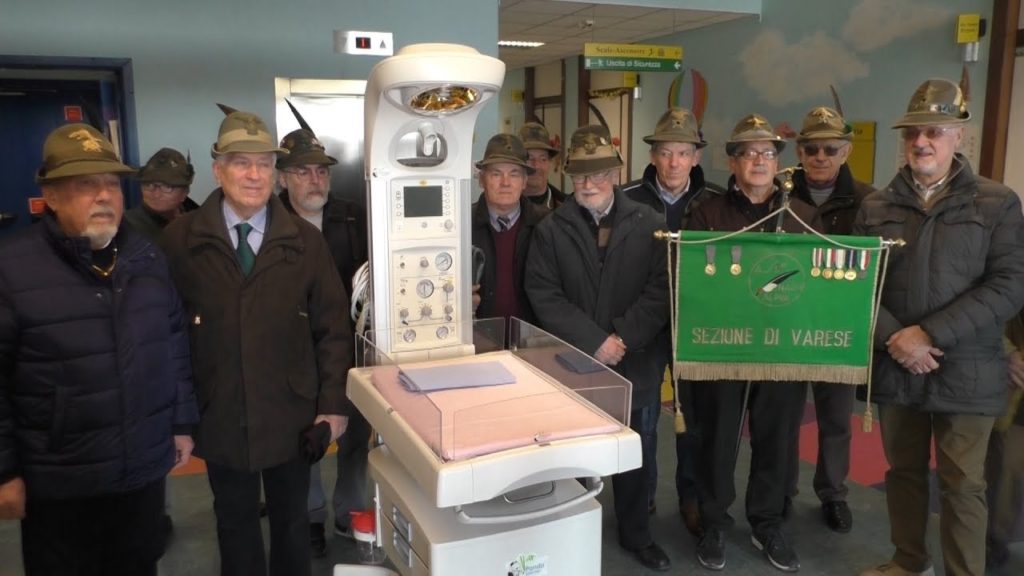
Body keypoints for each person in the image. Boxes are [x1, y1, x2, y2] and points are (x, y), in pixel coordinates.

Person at [161, 109, 353, 576]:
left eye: (264, 164)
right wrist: (177, 418)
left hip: (292, 413)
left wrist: (333, 405)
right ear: (218, 170)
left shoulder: (305, 242)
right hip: (219, 410)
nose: (253, 174)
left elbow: (332, 328)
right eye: (241, 163)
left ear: (275, 172)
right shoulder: (180, 241)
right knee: (234, 522)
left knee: (292, 523)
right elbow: (166, 337)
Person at [0, 123, 198, 575]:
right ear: (51, 196)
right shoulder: (12, 270)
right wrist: (4, 471)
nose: (104, 195)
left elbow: (174, 345)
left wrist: (181, 423)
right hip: (61, 479)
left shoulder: (147, 258)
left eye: (111, 183)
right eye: (86, 184)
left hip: (141, 469)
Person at [855, 78, 1024, 576]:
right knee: (903, 473)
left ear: (958, 136)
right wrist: (896, 339)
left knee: (963, 484)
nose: (921, 142)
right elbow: (858, 285)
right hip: (896, 364)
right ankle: (909, 562)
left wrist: (927, 335)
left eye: (933, 131)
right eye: (912, 133)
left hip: (968, 368)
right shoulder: (876, 206)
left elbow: (1010, 285)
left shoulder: (997, 203)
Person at [525, 124, 671, 572]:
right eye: (580, 175)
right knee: (571, 455)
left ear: (616, 173)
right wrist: (595, 342)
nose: (589, 184)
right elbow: (544, 293)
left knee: (635, 455)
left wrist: (622, 338)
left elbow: (661, 290)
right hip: (574, 363)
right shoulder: (551, 229)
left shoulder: (651, 223)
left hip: (634, 361)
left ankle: (637, 534)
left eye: (599, 174)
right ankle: (570, 532)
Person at [688, 114, 821, 573]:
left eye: (767, 153)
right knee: (717, 437)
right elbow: (696, 282)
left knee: (776, 440)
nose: (759, 161)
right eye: (749, 153)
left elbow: (814, 286)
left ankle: (767, 523)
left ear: (778, 162)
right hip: (725, 345)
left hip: (782, 350)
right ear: (733, 161)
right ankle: (713, 523)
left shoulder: (802, 217)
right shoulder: (707, 214)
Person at [622, 106, 718, 533]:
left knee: (692, 419)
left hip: (695, 324)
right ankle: (640, 498)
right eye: (665, 152)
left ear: (696, 157)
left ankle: (691, 498)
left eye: (682, 153)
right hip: (644, 324)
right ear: (653, 155)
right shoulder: (626, 199)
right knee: (642, 417)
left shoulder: (715, 201)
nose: (674, 162)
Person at [275, 126, 369, 558]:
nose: (314, 180)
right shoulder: (270, 223)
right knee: (305, 437)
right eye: (302, 172)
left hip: (353, 348)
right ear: (282, 178)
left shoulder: (354, 217)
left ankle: (350, 511)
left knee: (355, 436)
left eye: (321, 171)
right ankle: (310, 516)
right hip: (295, 353)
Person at [784, 106, 874, 534]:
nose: (820, 156)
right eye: (812, 148)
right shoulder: (779, 195)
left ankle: (833, 494)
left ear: (846, 151)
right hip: (786, 322)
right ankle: (781, 489)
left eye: (830, 149)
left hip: (839, 326)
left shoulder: (869, 200)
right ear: (800, 152)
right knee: (783, 416)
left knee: (837, 419)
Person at [471, 133, 547, 326]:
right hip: (477, 338)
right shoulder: (462, 226)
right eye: (496, 174)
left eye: (514, 174)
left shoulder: (547, 224)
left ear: (524, 182)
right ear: (481, 180)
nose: (505, 183)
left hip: (533, 338)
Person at [124, 147, 199, 241]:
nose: (156, 194)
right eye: (149, 185)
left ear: (185, 192)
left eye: (167, 187)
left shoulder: (200, 220)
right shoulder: (127, 227)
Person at [519, 122, 567, 209]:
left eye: (543, 159)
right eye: (529, 158)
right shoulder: (502, 206)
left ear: (550, 163)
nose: (536, 165)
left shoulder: (566, 207)